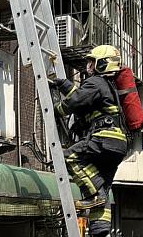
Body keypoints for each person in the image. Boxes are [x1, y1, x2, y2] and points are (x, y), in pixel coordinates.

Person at [50, 45, 128, 211]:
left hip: (104, 139)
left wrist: (55, 110)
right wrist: (64, 84)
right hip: (118, 145)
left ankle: (96, 195)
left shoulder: (96, 82)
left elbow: (76, 101)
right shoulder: (109, 87)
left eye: (92, 62)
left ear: (102, 64)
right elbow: (82, 100)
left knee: (69, 157)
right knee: (103, 189)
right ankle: (100, 234)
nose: (89, 66)